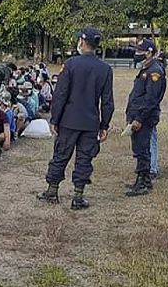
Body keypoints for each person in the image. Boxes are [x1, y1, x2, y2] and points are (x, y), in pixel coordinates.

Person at [38, 27, 114, 209]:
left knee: (60, 156)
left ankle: (52, 191)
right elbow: (107, 101)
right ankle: (78, 197)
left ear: (82, 41)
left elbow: (60, 94)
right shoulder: (105, 69)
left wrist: (55, 119)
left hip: (68, 121)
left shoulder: (71, 64)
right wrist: (105, 125)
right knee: (85, 159)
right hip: (90, 122)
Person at [125, 38, 166, 197]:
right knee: (139, 149)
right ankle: (142, 179)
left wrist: (139, 118)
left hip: (144, 118)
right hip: (137, 115)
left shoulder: (155, 71)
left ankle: (143, 183)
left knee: (143, 150)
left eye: (140, 51)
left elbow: (151, 99)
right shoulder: (146, 69)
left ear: (149, 53)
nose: (137, 54)